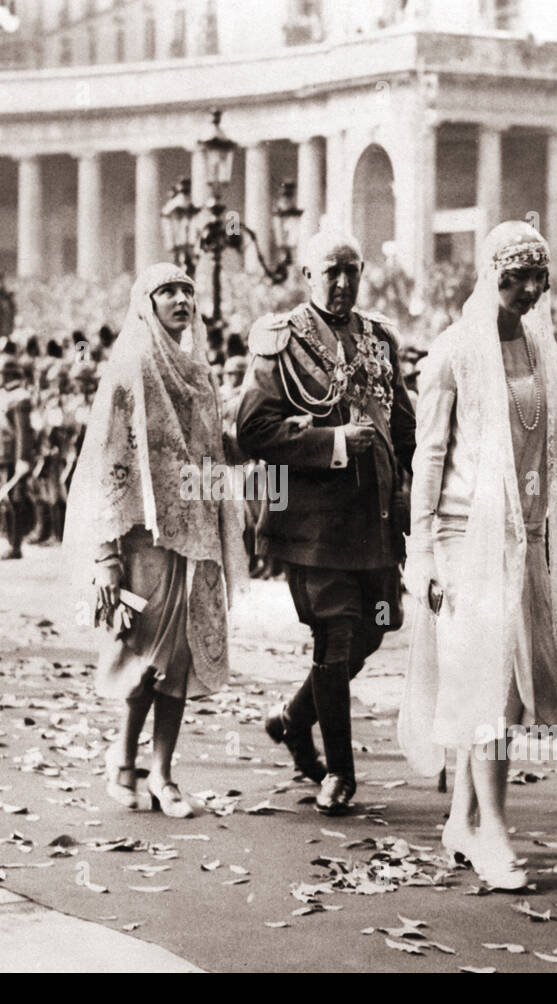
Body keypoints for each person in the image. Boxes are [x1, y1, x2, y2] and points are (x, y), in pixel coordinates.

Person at [399, 222, 557, 890]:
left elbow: (546, 445)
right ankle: (495, 832)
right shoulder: (453, 351)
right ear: (490, 275)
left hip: (522, 535)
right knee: (488, 685)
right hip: (460, 537)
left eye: (538, 278)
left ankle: (462, 818)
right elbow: (427, 456)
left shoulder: (540, 351)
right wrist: (421, 548)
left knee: (504, 686)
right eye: (516, 278)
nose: (529, 291)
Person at [237, 228, 416, 814]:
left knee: (377, 628)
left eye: (351, 271)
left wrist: (413, 480)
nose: (341, 283)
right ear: (307, 276)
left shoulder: (380, 337)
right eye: (329, 272)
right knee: (335, 637)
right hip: (313, 521)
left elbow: (403, 421)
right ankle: (339, 772)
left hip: (376, 518)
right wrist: (332, 441)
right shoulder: (279, 341)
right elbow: (254, 430)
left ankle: (293, 717)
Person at [64, 263, 246, 818]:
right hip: (142, 540)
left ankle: (164, 773)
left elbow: (212, 453)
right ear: (146, 302)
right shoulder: (129, 367)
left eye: (188, 291)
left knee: (182, 658)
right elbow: (106, 462)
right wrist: (106, 557)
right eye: (168, 290)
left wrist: (223, 521)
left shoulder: (200, 372)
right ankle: (123, 760)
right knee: (142, 660)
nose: (181, 300)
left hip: (197, 538)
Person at [0, 354, 35, 560]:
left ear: (6, 375)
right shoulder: (0, 396)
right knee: (5, 501)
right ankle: (9, 542)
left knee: (14, 500)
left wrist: (23, 458)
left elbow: (23, 431)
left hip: (10, 455)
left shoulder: (20, 397)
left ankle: (15, 545)